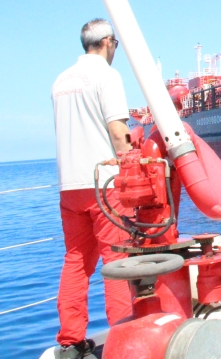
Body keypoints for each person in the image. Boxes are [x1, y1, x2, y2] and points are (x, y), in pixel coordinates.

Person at [51, 19, 133, 359]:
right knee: (117, 262)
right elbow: (117, 131)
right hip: (104, 185)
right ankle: (124, 337)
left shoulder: (61, 80)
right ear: (109, 42)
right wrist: (133, 165)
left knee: (76, 262)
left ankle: (70, 343)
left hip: (69, 187)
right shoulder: (107, 75)